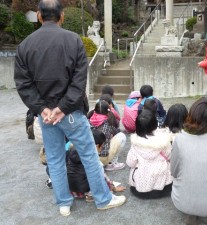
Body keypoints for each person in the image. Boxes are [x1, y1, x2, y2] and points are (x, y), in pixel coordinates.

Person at [14, 0, 125, 216]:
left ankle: (63, 203)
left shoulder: (25, 45)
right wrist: (63, 108)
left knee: (55, 158)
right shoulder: (73, 40)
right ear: (62, 16)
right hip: (70, 112)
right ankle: (102, 198)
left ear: (38, 16)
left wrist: (43, 109)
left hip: (46, 116)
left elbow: (23, 83)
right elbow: (78, 80)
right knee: (88, 156)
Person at [67, 129, 126, 201]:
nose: (102, 149)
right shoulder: (92, 159)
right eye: (102, 146)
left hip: (72, 189)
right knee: (98, 175)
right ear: (97, 146)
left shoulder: (73, 149)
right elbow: (103, 177)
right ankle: (92, 195)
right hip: (85, 189)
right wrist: (113, 187)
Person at [126, 109, 173, 199]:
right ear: (155, 124)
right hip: (163, 188)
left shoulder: (136, 143)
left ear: (138, 126)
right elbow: (170, 156)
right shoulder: (163, 140)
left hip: (138, 189)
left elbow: (130, 163)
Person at [89, 100, 126, 171]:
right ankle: (112, 163)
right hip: (101, 158)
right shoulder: (108, 123)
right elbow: (117, 132)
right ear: (107, 111)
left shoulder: (88, 118)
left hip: (87, 157)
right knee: (121, 136)